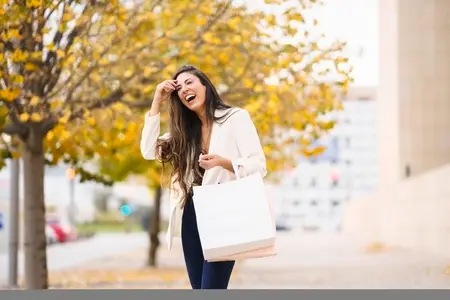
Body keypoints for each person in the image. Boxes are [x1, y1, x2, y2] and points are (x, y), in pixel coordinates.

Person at [140, 65, 267, 289]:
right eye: (178, 88)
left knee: (212, 288)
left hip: (224, 213)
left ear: (205, 86)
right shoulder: (184, 132)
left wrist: (223, 162)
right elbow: (148, 151)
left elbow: (258, 166)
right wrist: (156, 102)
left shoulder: (235, 118)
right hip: (191, 214)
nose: (184, 89)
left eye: (190, 82)